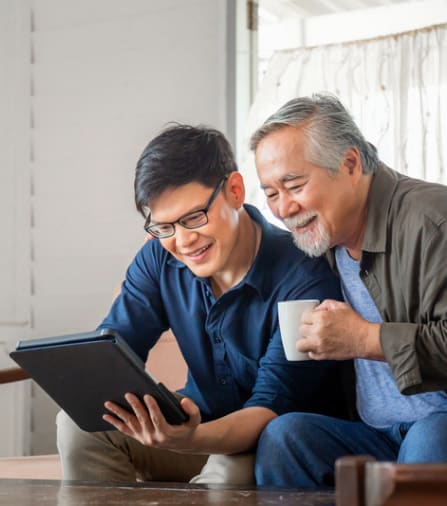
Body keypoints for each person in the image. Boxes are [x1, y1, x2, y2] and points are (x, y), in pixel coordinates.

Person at [56, 123, 351, 484]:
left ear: (235, 191)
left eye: (194, 217)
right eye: (164, 226)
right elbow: (113, 351)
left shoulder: (305, 277)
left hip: (266, 440)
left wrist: (188, 439)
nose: (183, 241)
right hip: (194, 425)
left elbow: (269, 408)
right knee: (77, 424)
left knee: (226, 473)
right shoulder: (158, 259)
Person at [250, 93, 447, 488]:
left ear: (350, 164)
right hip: (375, 434)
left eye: (294, 184)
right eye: (271, 193)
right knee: (284, 438)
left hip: (438, 430)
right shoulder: (321, 239)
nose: (284, 207)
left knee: (429, 440)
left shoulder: (433, 221)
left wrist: (364, 338)